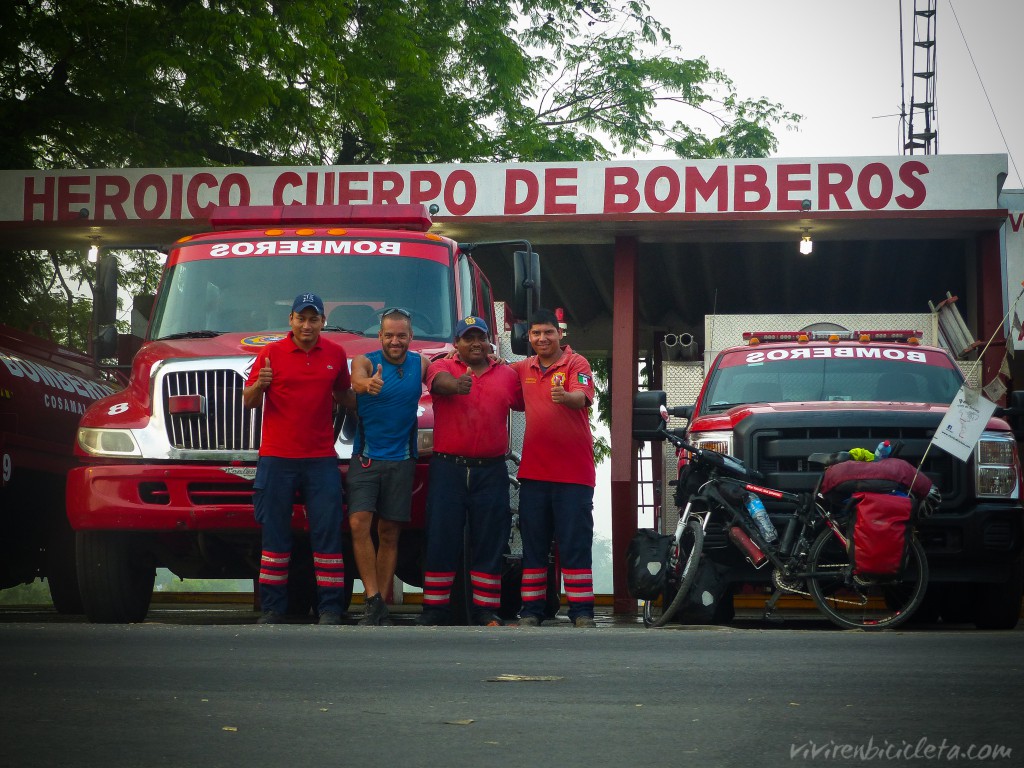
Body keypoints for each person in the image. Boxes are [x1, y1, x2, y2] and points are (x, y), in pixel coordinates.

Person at [243, 292, 354, 625]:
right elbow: (248, 402)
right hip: (277, 458)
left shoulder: (336, 353)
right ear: (290, 320)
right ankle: (273, 608)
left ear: (323, 322)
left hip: (321, 459)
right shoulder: (271, 353)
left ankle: (331, 609)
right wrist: (258, 386)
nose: (307, 325)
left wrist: (377, 395)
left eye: (314, 318)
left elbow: (344, 395)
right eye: (301, 318)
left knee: (328, 534)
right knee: (275, 534)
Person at [418, 315, 524, 626]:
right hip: (447, 469)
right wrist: (456, 385)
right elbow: (436, 382)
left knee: (490, 540)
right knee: (441, 538)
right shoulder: (442, 367)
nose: (475, 343)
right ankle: (434, 611)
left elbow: (527, 398)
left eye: (480, 337)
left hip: (490, 471)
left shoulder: (507, 373)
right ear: (458, 344)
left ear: (490, 342)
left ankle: (485, 611)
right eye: (468, 338)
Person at [512, 308, 598, 628]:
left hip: (574, 475)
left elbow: (582, 396)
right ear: (529, 337)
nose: (542, 338)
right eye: (536, 333)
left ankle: (582, 612)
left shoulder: (577, 364)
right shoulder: (522, 368)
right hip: (533, 474)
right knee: (533, 546)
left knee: (574, 543)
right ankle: (531, 611)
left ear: (559, 334)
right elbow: (491, 378)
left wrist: (566, 396)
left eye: (548, 332)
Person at [347, 307, 428, 626]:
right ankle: (371, 598)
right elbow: (355, 381)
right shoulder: (365, 361)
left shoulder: (420, 363)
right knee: (358, 523)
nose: (395, 341)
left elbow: (445, 372)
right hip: (366, 458)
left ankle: (380, 603)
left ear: (410, 337)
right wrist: (367, 386)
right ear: (379, 336)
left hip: (402, 461)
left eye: (402, 335)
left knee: (389, 532)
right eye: (389, 335)